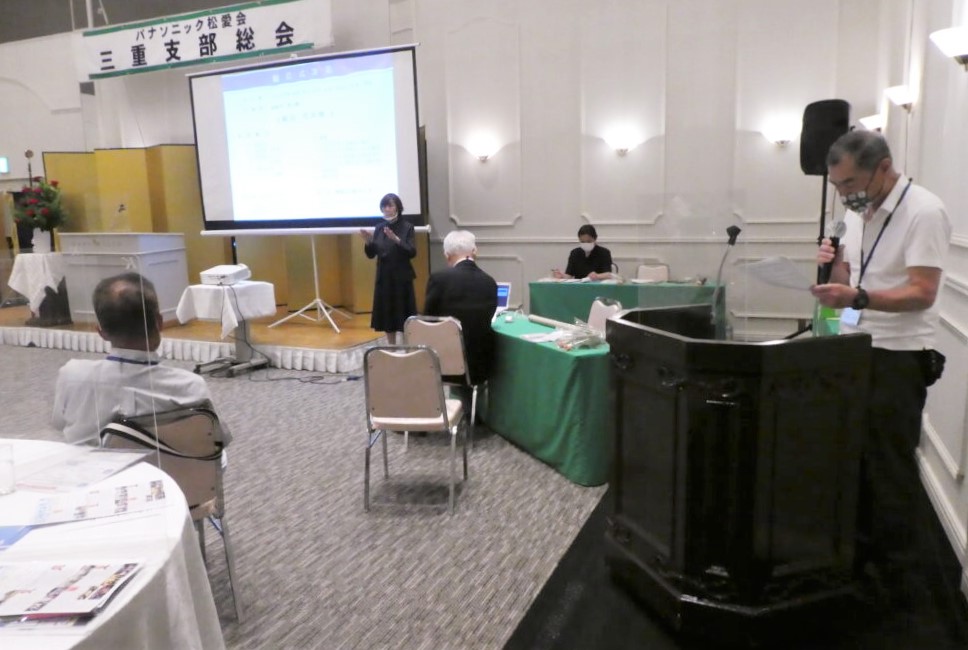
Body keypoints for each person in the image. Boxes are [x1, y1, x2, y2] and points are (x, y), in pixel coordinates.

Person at [811, 130, 955, 608]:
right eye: (837, 185)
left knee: (889, 467)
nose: (843, 194)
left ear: (884, 168)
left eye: (850, 183)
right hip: (857, 345)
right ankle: (857, 562)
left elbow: (922, 292)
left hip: (898, 356)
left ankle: (895, 585)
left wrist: (858, 297)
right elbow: (850, 283)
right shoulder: (858, 215)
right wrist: (834, 271)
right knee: (854, 460)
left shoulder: (924, 211)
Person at [52, 272, 229, 446]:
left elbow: (59, 423)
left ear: (101, 332)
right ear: (159, 323)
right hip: (165, 465)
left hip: (90, 466)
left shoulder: (71, 375)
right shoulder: (189, 386)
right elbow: (218, 438)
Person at [424, 230, 498, 385]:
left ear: (447, 255)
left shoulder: (438, 279)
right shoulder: (489, 282)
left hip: (441, 364)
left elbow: (427, 321)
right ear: (475, 251)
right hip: (479, 367)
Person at [359, 193, 417, 344]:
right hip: (384, 277)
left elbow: (412, 252)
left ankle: (406, 346)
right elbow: (371, 254)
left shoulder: (407, 227)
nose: (386, 209)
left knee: (403, 313)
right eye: (384, 206)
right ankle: (391, 346)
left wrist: (396, 239)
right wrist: (368, 242)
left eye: (390, 206)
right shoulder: (379, 227)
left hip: (401, 277)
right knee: (387, 314)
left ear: (398, 207)